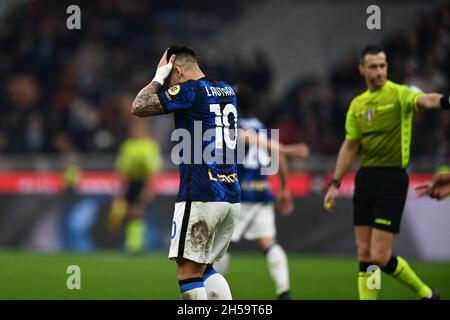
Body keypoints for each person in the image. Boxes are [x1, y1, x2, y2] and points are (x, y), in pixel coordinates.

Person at [323, 45, 449, 300]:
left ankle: (425, 292)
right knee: (363, 253)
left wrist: (446, 101)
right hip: (366, 178)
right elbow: (350, 146)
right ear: (362, 69)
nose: (379, 71)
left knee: (379, 256)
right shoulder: (357, 105)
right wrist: (335, 182)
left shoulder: (400, 94)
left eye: (383, 65)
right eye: (373, 66)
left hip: (392, 179)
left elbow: (425, 100)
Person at [131, 45, 240, 300]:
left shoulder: (190, 90)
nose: (168, 84)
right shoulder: (227, 89)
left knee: (187, 273)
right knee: (205, 269)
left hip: (202, 194)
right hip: (230, 194)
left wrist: (158, 77)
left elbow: (138, 106)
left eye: (170, 78)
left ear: (177, 71)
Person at [214, 84, 310, 300]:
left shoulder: (232, 127)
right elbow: (279, 158)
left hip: (238, 196)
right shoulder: (263, 129)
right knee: (269, 243)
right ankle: (284, 291)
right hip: (262, 193)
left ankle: (213, 295)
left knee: (220, 247)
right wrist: (284, 189)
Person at [108, 119, 161, 254]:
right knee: (128, 213)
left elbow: (153, 170)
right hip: (130, 182)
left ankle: (135, 244)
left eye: (139, 128)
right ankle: (133, 242)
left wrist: (148, 189)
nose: (136, 131)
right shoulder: (127, 145)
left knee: (137, 212)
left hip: (143, 182)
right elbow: (122, 168)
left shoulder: (149, 145)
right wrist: (120, 188)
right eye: (134, 128)